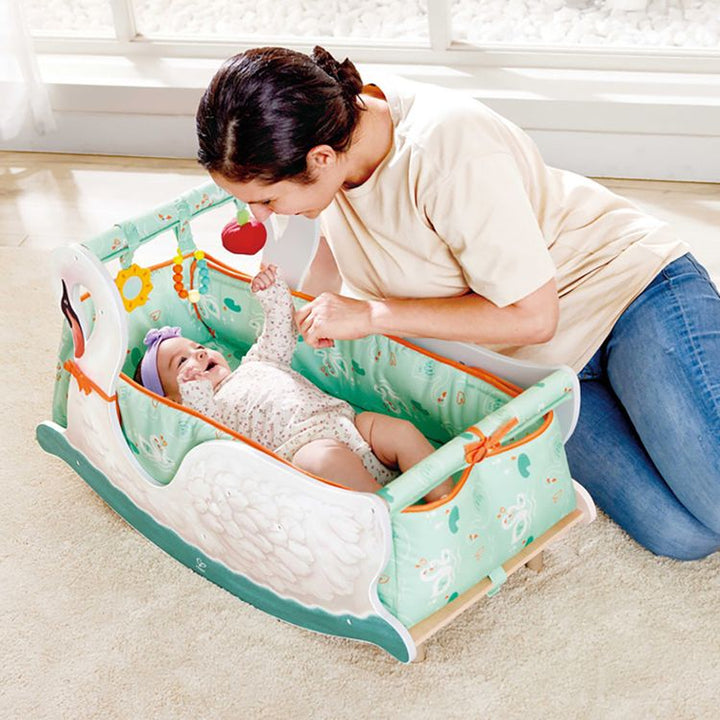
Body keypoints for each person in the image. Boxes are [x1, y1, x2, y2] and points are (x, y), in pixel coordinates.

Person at [194, 45, 720, 561]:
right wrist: (292, 320)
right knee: (681, 536)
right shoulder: (328, 147)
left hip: (622, 291)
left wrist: (373, 315)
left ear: (321, 158)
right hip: (534, 370)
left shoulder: (447, 151)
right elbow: (330, 259)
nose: (259, 216)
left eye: (266, 200)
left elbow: (535, 316)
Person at [134, 264, 453, 502]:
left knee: (400, 431)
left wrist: (272, 294)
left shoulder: (255, 361)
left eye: (197, 347)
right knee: (322, 460)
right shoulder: (211, 413)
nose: (199, 354)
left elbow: (280, 332)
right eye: (181, 362)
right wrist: (195, 391)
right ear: (174, 399)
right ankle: (388, 515)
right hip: (304, 449)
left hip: (348, 425)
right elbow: (201, 421)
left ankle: (443, 499)